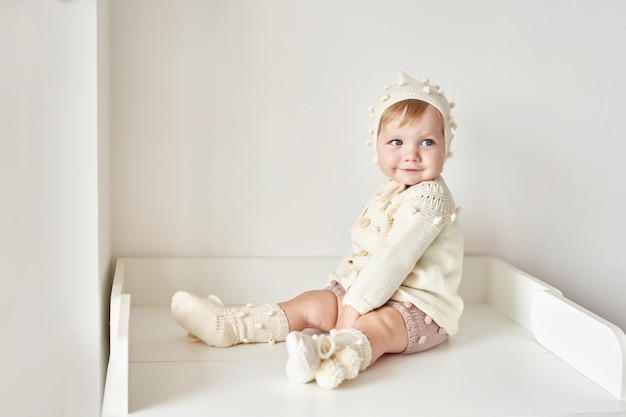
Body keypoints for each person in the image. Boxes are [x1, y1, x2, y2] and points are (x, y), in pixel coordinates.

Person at [170, 72, 464, 389]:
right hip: (365, 292)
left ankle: (330, 355)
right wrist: (337, 296)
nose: (411, 153)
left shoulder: (431, 198)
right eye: (396, 141)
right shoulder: (390, 189)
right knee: (311, 303)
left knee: (377, 327)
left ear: (445, 146)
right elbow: (363, 252)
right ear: (375, 145)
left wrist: (351, 311)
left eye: (428, 142)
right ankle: (232, 325)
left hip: (416, 309)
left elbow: (392, 260)